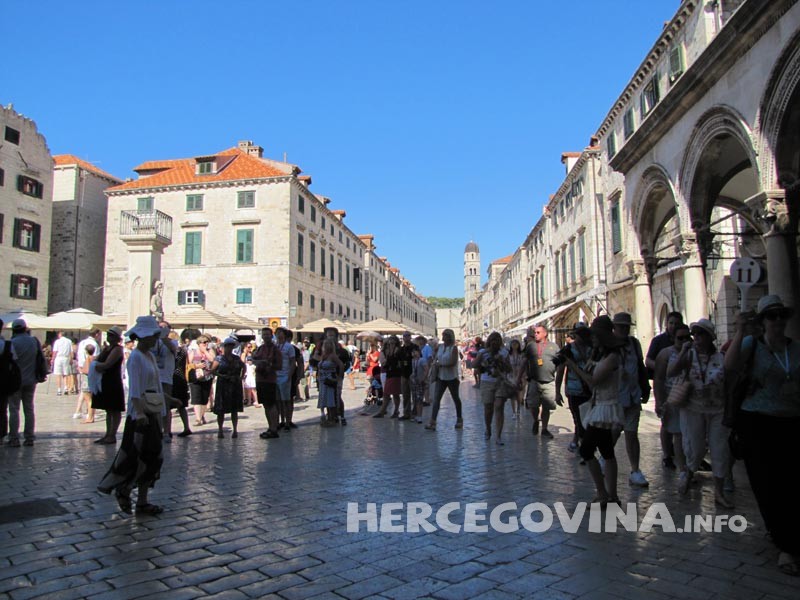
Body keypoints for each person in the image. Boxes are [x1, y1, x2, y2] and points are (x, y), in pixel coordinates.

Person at [724, 295, 800, 575]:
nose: (778, 320)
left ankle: (786, 534)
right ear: (763, 321)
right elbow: (729, 368)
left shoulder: (796, 349)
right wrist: (741, 330)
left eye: (781, 315)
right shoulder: (751, 346)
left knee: (792, 483)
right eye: (771, 316)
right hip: (757, 423)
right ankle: (785, 546)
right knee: (769, 484)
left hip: (792, 421)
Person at [97, 316, 165, 516]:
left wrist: (168, 399)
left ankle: (142, 501)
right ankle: (123, 489)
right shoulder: (135, 357)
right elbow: (135, 388)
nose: (155, 339)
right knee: (136, 457)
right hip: (140, 415)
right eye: (153, 336)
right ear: (143, 336)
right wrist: (140, 412)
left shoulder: (149, 356)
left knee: (153, 457)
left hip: (151, 412)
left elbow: (154, 384)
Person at [563, 316, 626, 507]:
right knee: (607, 450)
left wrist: (572, 365)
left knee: (587, 449)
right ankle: (611, 495)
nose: (593, 340)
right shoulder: (601, 355)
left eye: (596, 336)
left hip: (606, 407)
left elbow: (593, 381)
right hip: (599, 405)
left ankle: (603, 493)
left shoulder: (612, 357)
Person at [612, 313, 649, 487]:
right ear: (614, 328)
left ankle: (635, 470)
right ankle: (606, 458)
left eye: (626, 326)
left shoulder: (634, 344)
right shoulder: (609, 346)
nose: (624, 330)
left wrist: (646, 387)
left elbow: (640, 365)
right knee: (613, 431)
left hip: (633, 395)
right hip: (615, 397)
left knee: (632, 434)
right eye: (621, 326)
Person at [646, 311, 684, 469]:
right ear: (667, 324)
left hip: (683, 389)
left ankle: (683, 456)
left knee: (682, 427)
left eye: (676, 323)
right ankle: (667, 454)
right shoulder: (659, 341)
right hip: (666, 388)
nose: (673, 326)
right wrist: (664, 368)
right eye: (671, 323)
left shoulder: (686, 342)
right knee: (667, 423)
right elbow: (648, 360)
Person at [653, 323, 690, 478]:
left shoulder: (694, 351)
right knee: (678, 434)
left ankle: (688, 466)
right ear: (673, 338)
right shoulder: (665, 354)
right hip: (672, 398)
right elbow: (659, 378)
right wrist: (659, 400)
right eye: (680, 338)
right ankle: (682, 469)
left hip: (691, 399)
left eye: (687, 337)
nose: (684, 341)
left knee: (690, 435)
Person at [6, 319, 46, 447]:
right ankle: (29, 437)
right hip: (31, 379)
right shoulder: (34, 341)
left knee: (14, 409)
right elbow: (41, 358)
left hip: (15, 381)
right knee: (29, 409)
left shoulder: (12, 343)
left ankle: (14, 438)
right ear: (25, 328)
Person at [555, 323, 593, 454]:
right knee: (578, 419)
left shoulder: (593, 348)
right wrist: (557, 392)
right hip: (574, 389)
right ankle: (584, 449)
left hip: (591, 388)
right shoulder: (568, 349)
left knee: (588, 420)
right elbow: (560, 370)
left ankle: (580, 443)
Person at [474, 331, 512, 445]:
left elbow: (509, 369)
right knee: (488, 408)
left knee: (499, 407)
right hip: (487, 382)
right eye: (492, 340)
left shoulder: (504, 353)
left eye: (497, 340)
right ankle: (488, 428)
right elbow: (474, 365)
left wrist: (502, 362)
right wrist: (480, 356)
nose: (494, 343)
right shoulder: (482, 352)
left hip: (500, 382)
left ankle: (499, 436)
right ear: (489, 342)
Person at [523, 325, 560, 439]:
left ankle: (544, 428)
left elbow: (560, 363)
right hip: (534, 380)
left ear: (545, 333)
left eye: (538, 332)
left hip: (549, 381)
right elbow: (525, 361)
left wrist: (560, 377)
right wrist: (521, 376)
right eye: (535, 332)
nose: (536, 334)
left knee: (546, 406)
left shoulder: (554, 347)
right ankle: (535, 420)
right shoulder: (531, 346)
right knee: (533, 405)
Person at [92, 327, 126, 444]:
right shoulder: (107, 348)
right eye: (108, 335)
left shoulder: (117, 349)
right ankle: (108, 434)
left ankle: (112, 434)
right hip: (105, 380)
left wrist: (97, 366)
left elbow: (108, 364)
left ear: (117, 338)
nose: (109, 337)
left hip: (113, 381)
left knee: (114, 409)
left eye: (111, 335)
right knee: (108, 410)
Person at [425, 329, 463, 431]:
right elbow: (435, 358)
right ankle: (433, 421)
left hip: (452, 377)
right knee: (437, 399)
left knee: (456, 398)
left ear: (449, 337)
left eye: (445, 336)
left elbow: (453, 362)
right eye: (443, 336)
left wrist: (441, 364)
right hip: (441, 377)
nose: (443, 338)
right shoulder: (441, 347)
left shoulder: (454, 348)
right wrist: (434, 351)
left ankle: (459, 419)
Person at [210, 337, 245, 438]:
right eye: (227, 346)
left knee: (234, 409)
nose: (229, 348)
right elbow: (213, 370)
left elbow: (244, 366)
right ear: (224, 347)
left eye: (231, 346)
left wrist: (241, 377)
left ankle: (235, 429)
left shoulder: (236, 358)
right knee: (221, 409)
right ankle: (220, 429)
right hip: (223, 384)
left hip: (234, 384)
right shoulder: (219, 358)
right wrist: (221, 376)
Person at [187, 335, 215, 427]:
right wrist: (196, 366)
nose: (206, 344)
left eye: (207, 342)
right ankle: (198, 419)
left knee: (204, 398)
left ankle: (201, 415)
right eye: (204, 342)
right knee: (196, 398)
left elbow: (212, 359)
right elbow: (188, 365)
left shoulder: (210, 351)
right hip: (195, 378)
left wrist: (205, 351)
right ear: (199, 344)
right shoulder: (192, 352)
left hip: (207, 377)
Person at [374, 336, 403, 418]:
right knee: (387, 393)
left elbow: (397, 362)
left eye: (393, 343)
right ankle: (385, 411)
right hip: (389, 373)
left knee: (394, 394)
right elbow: (384, 363)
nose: (391, 344)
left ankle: (392, 411)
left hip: (396, 374)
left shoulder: (398, 351)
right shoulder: (385, 351)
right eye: (390, 343)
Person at [317, 339, 344, 426]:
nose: (325, 347)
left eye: (327, 345)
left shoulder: (333, 356)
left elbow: (341, 365)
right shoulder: (324, 356)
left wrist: (339, 377)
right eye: (325, 345)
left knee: (331, 399)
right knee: (324, 399)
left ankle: (332, 418)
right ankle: (328, 418)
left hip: (330, 380)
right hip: (322, 380)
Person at [274, 328, 296, 430]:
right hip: (275, 376)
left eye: (281, 333)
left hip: (285, 375)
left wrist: (289, 375)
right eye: (277, 333)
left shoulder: (289, 347)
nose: (279, 335)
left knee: (286, 400)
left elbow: (293, 362)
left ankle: (287, 422)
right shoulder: (275, 346)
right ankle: (280, 421)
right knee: (278, 401)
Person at [76, 345, 96, 423]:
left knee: (88, 400)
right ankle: (91, 417)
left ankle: (90, 418)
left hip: (87, 380)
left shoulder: (88, 358)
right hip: (93, 380)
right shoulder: (95, 358)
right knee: (92, 400)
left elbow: (87, 370)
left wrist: (81, 370)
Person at [409, 343, 428, 424]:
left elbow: (426, 369)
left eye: (415, 352)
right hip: (414, 382)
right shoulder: (412, 361)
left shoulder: (422, 360)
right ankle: (416, 415)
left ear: (419, 352)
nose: (414, 353)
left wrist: (423, 378)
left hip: (420, 381)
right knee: (415, 399)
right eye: (412, 352)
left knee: (419, 399)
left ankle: (420, 416)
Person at [507, 339, 526, 420]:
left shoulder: (521, 354)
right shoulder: (508, 355)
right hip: (511, 376)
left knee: (519, 395)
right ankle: (514, 412)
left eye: (516, 343)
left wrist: (524, 376)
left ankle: (518, 410)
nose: (514, 345)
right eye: (513, 343)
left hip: (520, 376)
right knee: (512, 395)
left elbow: (524, 365)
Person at [51, 331, 74, 396]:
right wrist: (71, 359)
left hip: (59, 358)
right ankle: (66, 388)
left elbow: (55, 351)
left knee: (58, 374)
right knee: (65, 374)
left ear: (60, 334)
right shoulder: (69, 341)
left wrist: (52, 359)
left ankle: (59, 389)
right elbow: (71, 351)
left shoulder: (57, 341)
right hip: (66, 358)